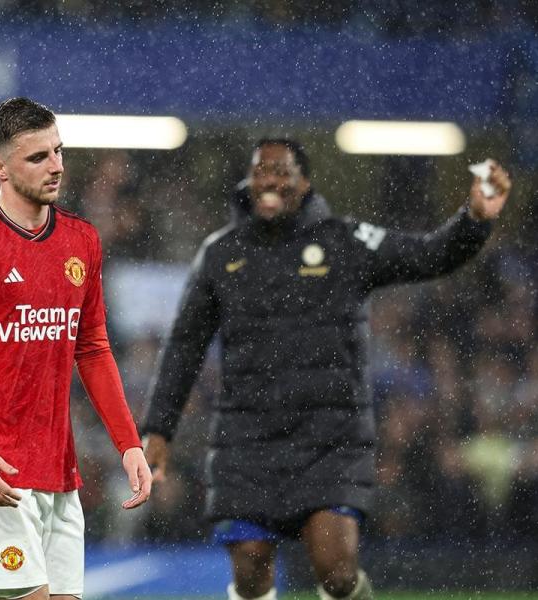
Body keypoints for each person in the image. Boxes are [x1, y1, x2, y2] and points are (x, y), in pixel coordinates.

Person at [140, 138, 511, 600]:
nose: (270, 181)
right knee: (251, 569)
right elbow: (184, 346)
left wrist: (473, 220)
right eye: (261, 172)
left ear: (305, 183)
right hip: (246, 438)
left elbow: (428, 255)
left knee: (336, 572)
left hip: (330, 438)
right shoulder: (220, 253)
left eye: (282, 172)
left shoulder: (346, 241)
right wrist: (158, 430)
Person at [0, 97, 153, 600]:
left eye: (59, 151)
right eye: (38, 157)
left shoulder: (81, 240)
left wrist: (128, 443)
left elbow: (92, 348)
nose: (57, 166)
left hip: (59, 472)